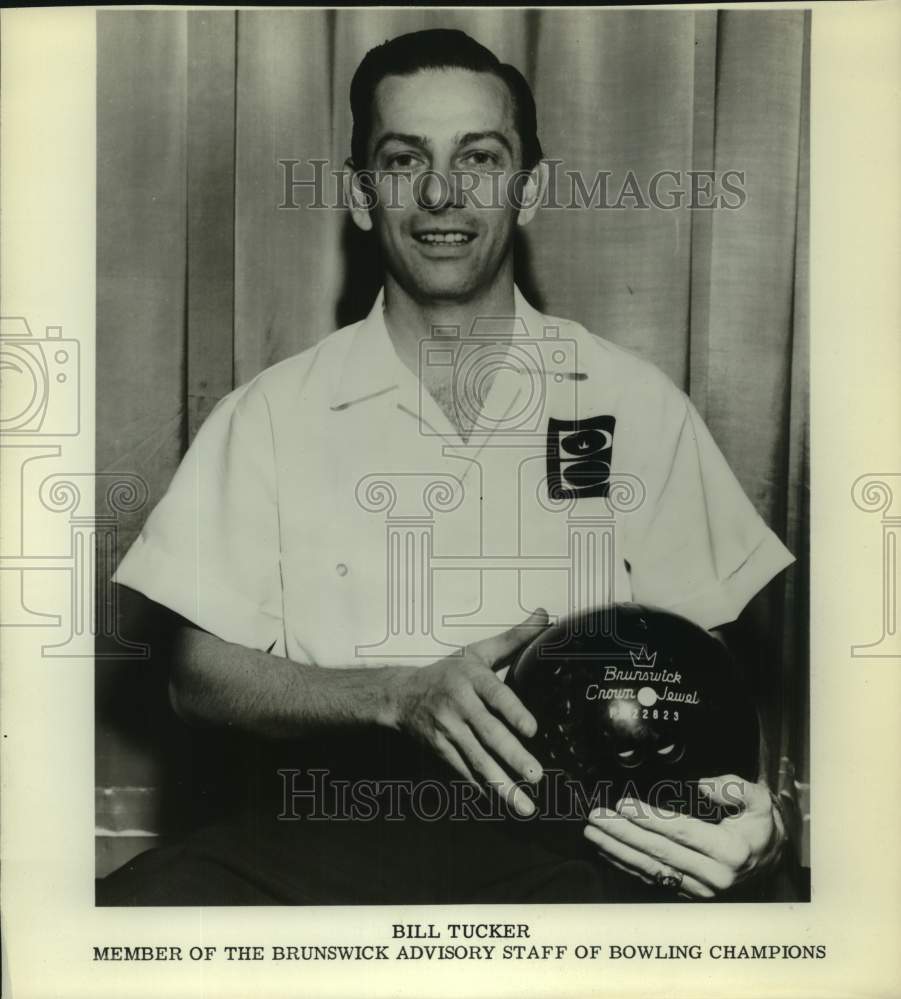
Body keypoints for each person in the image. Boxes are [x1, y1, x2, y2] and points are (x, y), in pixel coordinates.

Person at [99, 28, 795, 905]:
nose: (439, 192)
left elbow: (706, 671)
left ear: (528, 189)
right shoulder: (269, 415)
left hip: (578, 845)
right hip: (317, 838)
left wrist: (742, 817)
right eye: (402, 160)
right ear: (360, 196)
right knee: (128, 922)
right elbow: (196, 677)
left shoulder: (633, 402)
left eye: (479, 157)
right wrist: (394, 694)